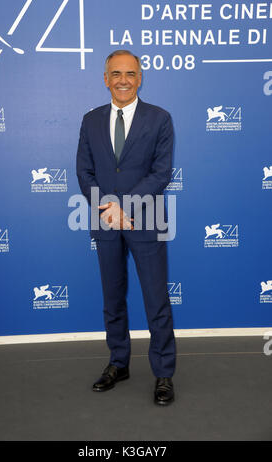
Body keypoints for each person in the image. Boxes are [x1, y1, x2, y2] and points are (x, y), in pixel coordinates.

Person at [76, 50, 176, 405]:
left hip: (145, 220)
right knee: (113, 299)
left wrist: (124, 205)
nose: (123, 80)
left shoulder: (160, 119)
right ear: (105, 79)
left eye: (130, 74)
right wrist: (109, 208)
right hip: (105, 221)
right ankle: (118, 363)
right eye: (116, 73)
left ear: (140, 78)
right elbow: (84, 172)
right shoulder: (90, 121)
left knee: (156, 300)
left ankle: (164, 373)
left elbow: (161, 173)